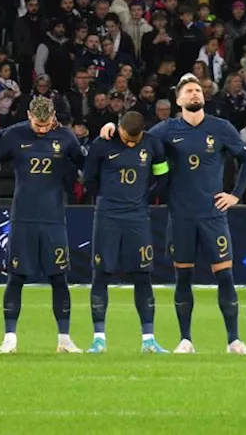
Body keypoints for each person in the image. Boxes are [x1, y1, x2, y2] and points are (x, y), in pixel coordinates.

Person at [102, 74, 246, 355]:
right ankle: (185, 340)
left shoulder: (221, 128)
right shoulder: (165, 131)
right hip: (181, 216)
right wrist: (112, 126)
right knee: (183, 278)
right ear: (179, 100)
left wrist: (236, 194)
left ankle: (233, 340)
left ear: (203, 96)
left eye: (198, 90)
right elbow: (133, 136)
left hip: (212, 216)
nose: (195, 94)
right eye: (189, 91)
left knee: (225, 277)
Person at [0, 95, 85, 354]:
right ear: (29, 116)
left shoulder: (66, 137)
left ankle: (64, 339)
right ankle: (10, 338)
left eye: (46, 125)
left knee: (59, 278)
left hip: (54, 219)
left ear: (53, 117)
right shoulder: (15, 135)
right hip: (22, 218)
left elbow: (86, 166)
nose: (41, 129)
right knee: (16, 277)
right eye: (37, 124)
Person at [81, 110, 163, 354]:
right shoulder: (102, 144)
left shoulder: (152, 144)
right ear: (118, 128)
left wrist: (144, 198)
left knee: (142, 275)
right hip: (108, 217)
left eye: (134, 140)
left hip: (138, 217)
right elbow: (88, 179)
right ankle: (99, 339)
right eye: (127, 138)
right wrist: (108, 198)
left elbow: (163, 176)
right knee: (101, 274)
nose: (130, 143)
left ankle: (148, 339)